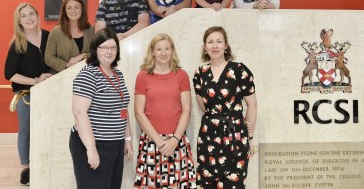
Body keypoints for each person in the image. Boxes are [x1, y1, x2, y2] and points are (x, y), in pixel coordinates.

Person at [193, 26, 257, 189]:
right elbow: (203, 106)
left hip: (235, 135)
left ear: (226, 46)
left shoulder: (239, 70)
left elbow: (252, 105)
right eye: (210, 42)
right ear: (205, 47)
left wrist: (249, 137)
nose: (215, 46)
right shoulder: (199, 73)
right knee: (209, 184)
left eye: (219, 41)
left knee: (233, 184)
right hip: (209, 136)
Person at [69, 28, 133, 189]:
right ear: (95, 49)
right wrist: (91, 148)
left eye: (113, 47)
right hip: (94, 143)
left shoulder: (118, 74)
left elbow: (123, 109)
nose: (109, 52)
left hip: (115, 144)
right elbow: (79, 112)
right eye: (104, 47)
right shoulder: (88, 75)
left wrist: (127, 140)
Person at [133, 33, 197, 188]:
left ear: (172, 51)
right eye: (159, 49)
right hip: (152, 142)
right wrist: (160, 142)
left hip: (176, 141)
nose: (163, 53)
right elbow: (138, 113)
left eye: (167, 49)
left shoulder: (181, 75)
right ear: (152, 52)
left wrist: (174, 140)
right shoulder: (143, 76)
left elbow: (186, 110)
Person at [4, 3, 52, 185]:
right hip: (26, 95)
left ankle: (45, 164)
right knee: (25, 131)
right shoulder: (18, 43)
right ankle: (26, 169)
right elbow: (9, 74)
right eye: (24, 16)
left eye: (31, 13)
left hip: (49, 94)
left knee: (46, 129)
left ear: (38, 15)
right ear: (19, 21)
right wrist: (35, 81)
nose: (29, 18)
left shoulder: (49, 36)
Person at [45, 0, 94, 74]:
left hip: (87, 77)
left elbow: (98, 53)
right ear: (65, 11)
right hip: (62, 78)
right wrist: (67, 65)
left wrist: (83, 56)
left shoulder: (92, 30)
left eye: (76, 7)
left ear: (82, 9)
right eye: (69, 8)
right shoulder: (56, 32)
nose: (73, 11)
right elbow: (48, 57)